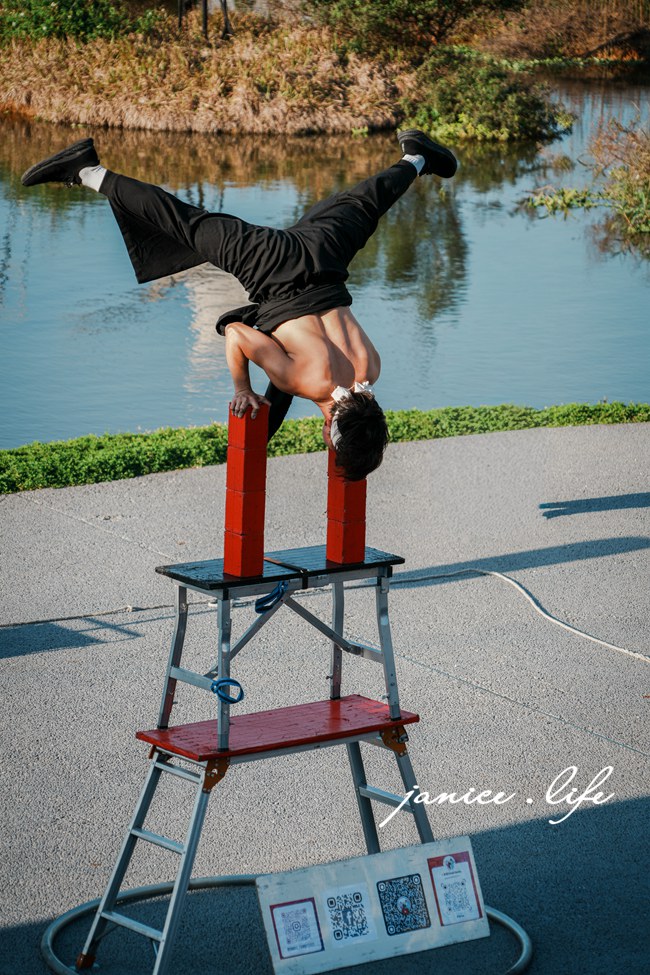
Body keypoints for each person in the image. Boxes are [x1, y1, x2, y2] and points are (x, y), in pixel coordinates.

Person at [21, 129, 457, 480]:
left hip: (324, 255)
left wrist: (266, 425)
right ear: (329, 432)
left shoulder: (369, 370)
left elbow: (292, 382)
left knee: (363, 206)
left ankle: (415, 159)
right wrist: (242, 388)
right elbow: (237, 335)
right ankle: (86, 170)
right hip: (269, 266)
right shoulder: (306, 381)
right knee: (183, 221)